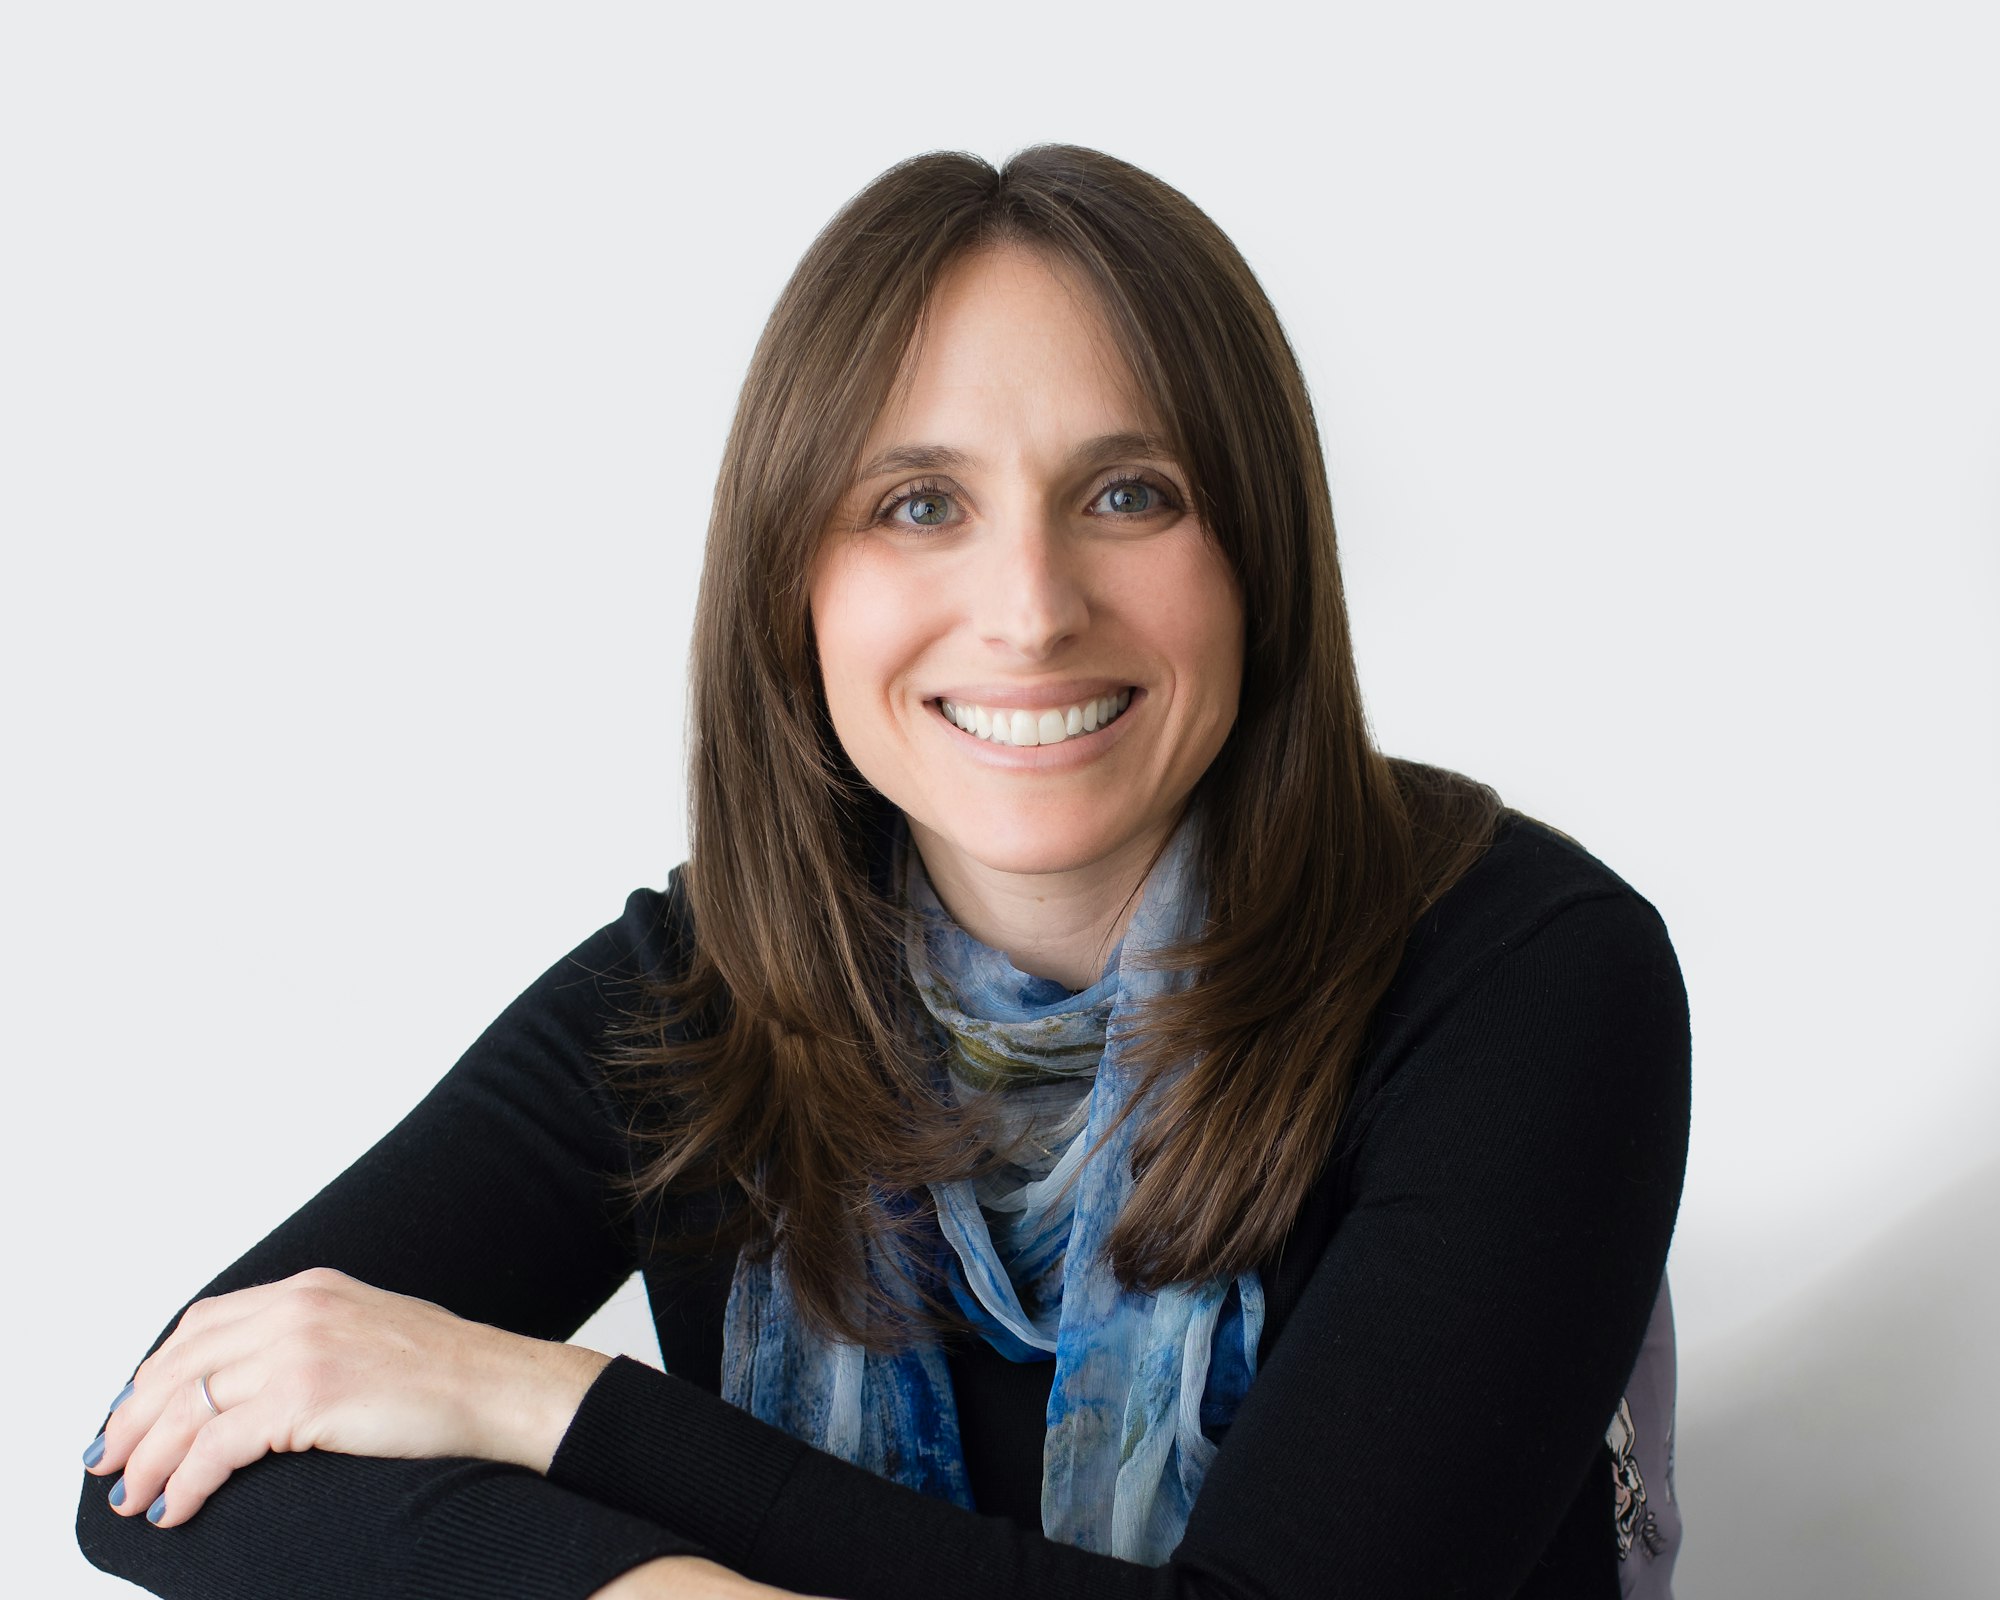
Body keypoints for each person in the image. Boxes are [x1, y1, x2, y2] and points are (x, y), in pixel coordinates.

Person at [74, 144, 1690, 1600]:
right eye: (920, 505)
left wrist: (545, 1402)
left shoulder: (1530, 979)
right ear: (794, 586)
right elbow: (161, 1459)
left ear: (1261, 555)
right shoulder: (697, 991)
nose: (1030, 609)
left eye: (1130, 494)